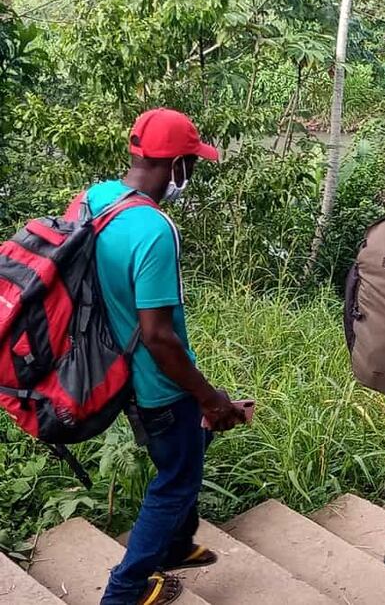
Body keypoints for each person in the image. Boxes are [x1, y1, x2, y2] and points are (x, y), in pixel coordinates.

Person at [100, 109, 246, 605]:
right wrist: (209, 397)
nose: (192, 174)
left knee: (184, 455)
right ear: (176, 165)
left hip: (117, 369)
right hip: (157, 384)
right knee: (176, 480)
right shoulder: (153, 229)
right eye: (192, 164)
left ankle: (178, 545)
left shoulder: (96, 200)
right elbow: (159, 336)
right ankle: (124, 591)